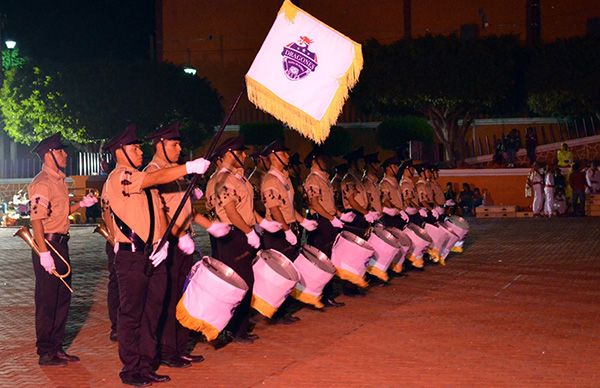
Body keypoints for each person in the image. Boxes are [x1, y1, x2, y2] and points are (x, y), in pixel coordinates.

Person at [102, 123, 211, 386]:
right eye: (135, 147)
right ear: (119, 151)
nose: (140, 151)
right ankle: (131, 370)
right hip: (132, 257)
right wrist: (188, 167)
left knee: (153, 313)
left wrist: (162, 241)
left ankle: (147, 364)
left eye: (140, 146)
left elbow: (158, 213)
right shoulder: (121, 177)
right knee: (132, 315)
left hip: (153, 254)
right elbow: (151, 180)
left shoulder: (139, 180)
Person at [144, 123, 230, 369]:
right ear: (160, 144)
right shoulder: (154, 172)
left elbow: (186, 210)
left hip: (184, 241)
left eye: (179, 144)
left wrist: (209, 225)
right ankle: (168, 350)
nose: (179, 148)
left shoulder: (176, 171)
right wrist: (177, 235)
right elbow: (160, 212)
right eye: (174, 144)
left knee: (183, 295)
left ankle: (179, 348)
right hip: (168, 243)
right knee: (169, 297)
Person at [28, 134, 98, 366]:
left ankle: (57, 347)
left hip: (60, 244)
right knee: (48, 300)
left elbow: (58, 212)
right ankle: (45, 351)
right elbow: (37, 220)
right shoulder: (42, 183)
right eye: (60, 151)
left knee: (62, 298)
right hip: (47, 245)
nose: (65, 154)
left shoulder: (58, 181)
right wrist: (43, 252)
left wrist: (81, 205)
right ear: (49, 155)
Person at [212, 136, 279, 345]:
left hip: (242, 231)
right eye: (239, 153)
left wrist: (261, 223)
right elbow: (231, 211)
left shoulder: (237, 178)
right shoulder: (222, 179)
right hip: (231, 234)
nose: (243, 156)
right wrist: (248, 232)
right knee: (237, 282)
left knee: (246, 280)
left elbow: (246, 209)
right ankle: (231, 328)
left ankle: (239, 326)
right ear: (227, 155)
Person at [259, 140, 317, 323]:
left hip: (288, 227)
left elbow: (288, 207)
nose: (287, 156)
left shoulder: (284, 177)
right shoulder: (270, 180)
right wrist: (286, 230)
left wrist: (303, 221)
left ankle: (283, 309)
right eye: (283, 154)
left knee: (289, 270)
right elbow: (275, 209)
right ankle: (275, 312)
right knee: (279, 273)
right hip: (277, 231)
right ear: (273, 157)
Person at [303, 147, 345, 307]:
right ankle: (319, 295)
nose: (326, 161)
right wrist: (332, 218)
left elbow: (328, 203)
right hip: (321, 221)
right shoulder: (313, 179)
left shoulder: (323, 179)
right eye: (322, 158)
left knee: (329, 258)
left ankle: (326, 294)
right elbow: (315, 204)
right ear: (314, 161)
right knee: (322, 259)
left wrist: (339, 215)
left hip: (328, 220)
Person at [340, 147, 373, 238]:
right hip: (354, 215)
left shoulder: (357, 178)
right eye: (361, 161)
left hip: (361, 213)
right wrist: (366, 213)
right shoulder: (349, 179)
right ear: (354, 163)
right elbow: (351, 201)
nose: (364, 164)